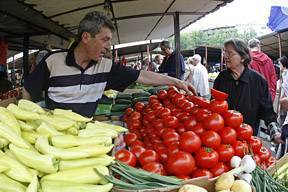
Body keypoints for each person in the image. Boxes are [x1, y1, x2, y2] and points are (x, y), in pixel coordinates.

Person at [23, 11, 196, 117]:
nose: (108, 47)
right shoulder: (53, 61)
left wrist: (177, 82)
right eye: (105, 40)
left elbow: (141, 75)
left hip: (85, 138)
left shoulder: (105, 67)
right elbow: (28, 90)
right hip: (53, 139)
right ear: (85, 37)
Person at [213, 38, 282, 143]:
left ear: (243, 58)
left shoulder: (258, 81)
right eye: (225, 52)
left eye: (230, 53)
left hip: (248, 135)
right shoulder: (221, 78)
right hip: (223, 136)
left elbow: (267, 111)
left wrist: (275, 132)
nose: (225, 56)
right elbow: (213, 104)